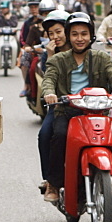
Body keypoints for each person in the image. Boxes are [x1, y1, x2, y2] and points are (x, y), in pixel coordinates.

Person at [41, 12, 112, 206]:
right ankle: (53, 183)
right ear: (68, 36)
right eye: (75, 34)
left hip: (97, 112)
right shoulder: (58, 59)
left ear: (91, 35)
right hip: (67, 112)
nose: (80, 38)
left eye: (84, 34)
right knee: (59, 134)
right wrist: (49, 93)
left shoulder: (102, 57)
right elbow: (49, 80)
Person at [35, 11, 72, 188]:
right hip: (59, 106)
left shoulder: (82, 49)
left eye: (59, 31)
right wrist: (50, 55)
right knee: (45, 135)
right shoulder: (48, 54)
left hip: (86, 105)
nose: (56, 37)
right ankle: (49, 179)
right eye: (51, 33)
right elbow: (48, 78)